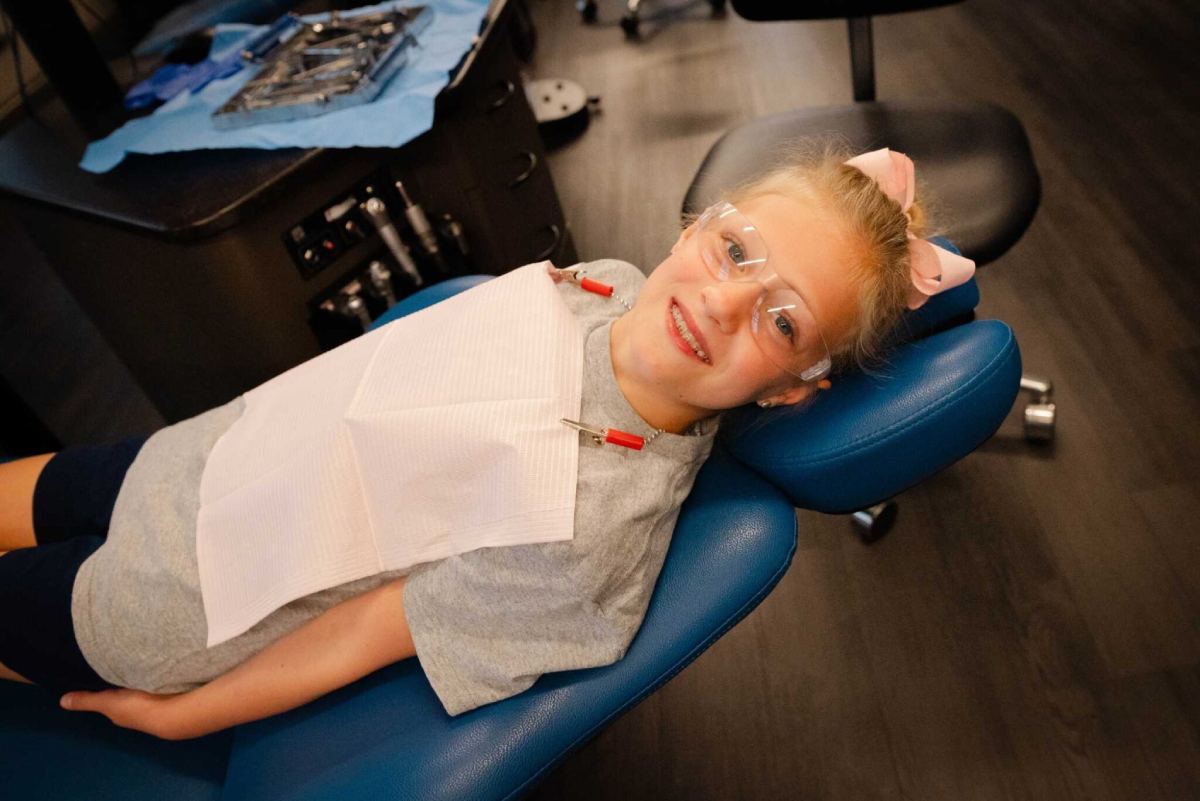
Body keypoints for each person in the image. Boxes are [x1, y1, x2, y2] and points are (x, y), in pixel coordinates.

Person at [0, 145, 971, 740]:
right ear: (696, 229)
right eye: (734, 250)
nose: (722, 301)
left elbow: (363, 633)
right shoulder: (612, 282)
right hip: (199, 456)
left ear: (797, 388)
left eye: (783, 321)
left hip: (168, 603)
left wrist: (179, 714)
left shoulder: (587, 533)